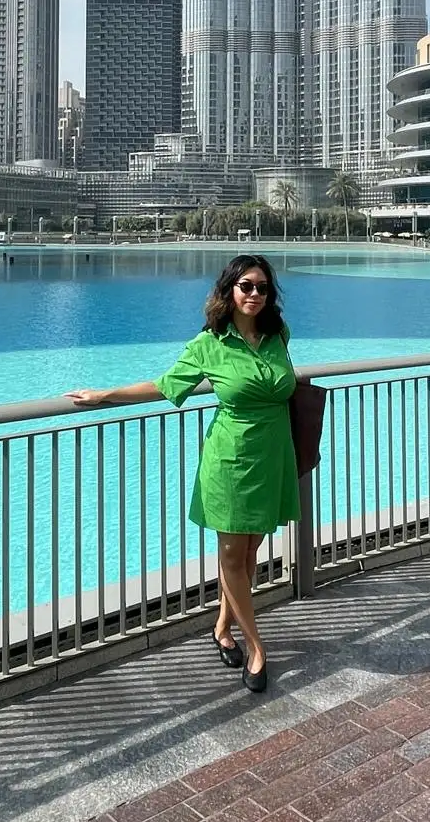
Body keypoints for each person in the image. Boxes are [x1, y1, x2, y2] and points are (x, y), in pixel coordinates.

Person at [67, 254, 299, 694]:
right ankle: (256, 647)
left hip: (273, 456)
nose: (254, 294)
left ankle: (221, 629)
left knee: (250, 552)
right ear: (229, 290)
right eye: (246, 286)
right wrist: (105, 394)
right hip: (230, 460)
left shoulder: (277, 335)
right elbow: (166, 384)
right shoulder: (209, 344)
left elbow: (285, 382)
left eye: (262, 287)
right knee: (232, 554)